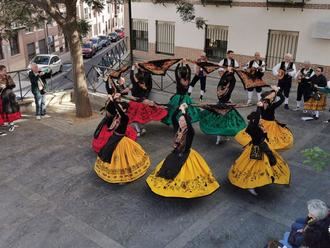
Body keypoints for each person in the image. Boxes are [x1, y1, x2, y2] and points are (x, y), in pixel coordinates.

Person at [147, 103, 219, 198]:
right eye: (180, 120)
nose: (180, 122)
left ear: (187, 123)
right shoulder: (178, 129)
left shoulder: (190, 133)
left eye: (183, 121)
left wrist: (184, 113)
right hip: (176, 152)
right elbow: (173, 118)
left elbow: (190, 127)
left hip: (185, 154)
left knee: (180, 171)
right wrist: (179, 108)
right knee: (167, 167)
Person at [228, 110, 291, 196]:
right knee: (255, 167)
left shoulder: (252, 126)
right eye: (259, 118)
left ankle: (259, 181)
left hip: (256, 146)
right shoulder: (254, 128)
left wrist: (263, 132)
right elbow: (259, 137)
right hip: (258, 147)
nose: (260, 119)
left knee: (255, 166)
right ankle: (251, 185)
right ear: (255, 120)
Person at [94, 93, 151, 184]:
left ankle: (124, 177)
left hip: (121, 141)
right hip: (113, 139)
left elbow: (119, 112)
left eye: (120, 108)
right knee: (109, 155)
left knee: (123, 160)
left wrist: (114, 101)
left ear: (124, 110)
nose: (118, 110)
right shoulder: (115, 117)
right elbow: (110, 110)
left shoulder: (125, 118)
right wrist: (112, 100)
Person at [235, 86, 294, 151]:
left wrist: (275, 91)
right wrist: (278, 92)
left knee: (258, 136)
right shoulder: (272, 106)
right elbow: (282, 99)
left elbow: (258, 113)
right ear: (270, 99)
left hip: (262, 122)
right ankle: (263, 148)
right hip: (270, 124)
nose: (273, 98)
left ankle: (256, 146)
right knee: (269, 137)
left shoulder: (261, 103)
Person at [92, 75, 137, 153]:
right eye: (121, 80)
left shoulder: (119, 88)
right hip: (112, 115)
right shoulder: (113, 94)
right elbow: (110, 91)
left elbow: (125, 93)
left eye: (123, 80)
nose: (123, 81)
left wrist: (124, 88)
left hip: (116, 111)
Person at [199, 78, 246, 145]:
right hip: (226, 108)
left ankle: (219, 139)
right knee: (225, 124)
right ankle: (222, 137)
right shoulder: (227, 91)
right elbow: (232, 83)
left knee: (219, 124)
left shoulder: (219, 89)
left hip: (219, 106)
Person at [128, 64, 167, 136]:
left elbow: (131, 76)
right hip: (141, 102)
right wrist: (138, 67)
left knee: (134, 118)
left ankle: (139, 130)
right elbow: (137, 76)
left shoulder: (135, 84)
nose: (134, 77)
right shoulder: (142, 84)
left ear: (136, 79)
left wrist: (133, 68)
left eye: (135, 77)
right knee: (139, 118)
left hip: (136, 103)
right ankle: (141, 129)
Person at [162, 59, 200, 126]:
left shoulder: (179, 80)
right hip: (186, 97)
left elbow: (176, 71)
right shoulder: (188, 79)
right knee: (185, 111)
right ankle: (183, 122)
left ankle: (174, 121)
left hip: (177, 98)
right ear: (186, 73)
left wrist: (179, 63)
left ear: (180, 73)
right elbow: (190, 71)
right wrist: (186, 63)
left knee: (173, 110)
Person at [0, 65, 21, 132]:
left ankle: (11, 123)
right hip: (3, 98)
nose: (6, 72)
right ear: (0, 71)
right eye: (4, 70)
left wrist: (7, 85)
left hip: (10, 96)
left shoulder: (8, 77)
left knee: (12, 110)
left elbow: (13, 85)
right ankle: (10, 124)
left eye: (6, 70)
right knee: (7, 111)